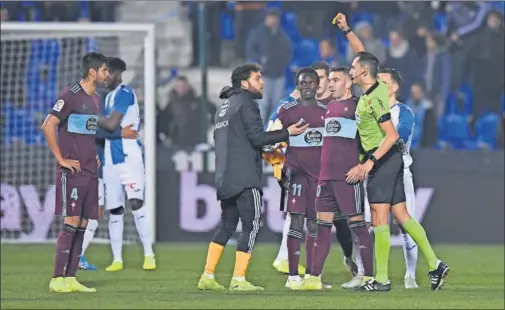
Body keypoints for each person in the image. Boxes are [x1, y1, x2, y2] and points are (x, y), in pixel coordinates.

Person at [336, 12, 449, 292]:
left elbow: (392, 135)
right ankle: (435, 264)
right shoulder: (371, 86)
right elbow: (364, 55)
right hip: (392, 160)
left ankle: (382, 279)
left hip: (383, 158)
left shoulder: (374, 100)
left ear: (363, 73)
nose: (350, 69)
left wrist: (368, 164)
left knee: (378, 216)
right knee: (402, 215)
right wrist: (347, 30)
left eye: (353, 68)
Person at [197, 64, 308, 291]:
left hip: (224, 175)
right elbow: (257, 139)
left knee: (227, 225)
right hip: (245, 175)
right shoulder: (247, 103)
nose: (262, 82)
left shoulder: (224, 107)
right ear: (245, 83)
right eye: (258, 78)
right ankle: (238, 279)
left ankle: (207, 275)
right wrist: (288, 132)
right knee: (252, 223)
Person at [300, 66, 374, 291]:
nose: (330, 84)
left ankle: (369, 277)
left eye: (335, 80)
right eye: (329, 80)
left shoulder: (358, 107)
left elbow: (373, 139)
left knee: (358, 227)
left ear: (348, 83)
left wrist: (364, 165)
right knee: (321, 228)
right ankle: (313, 277)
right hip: (326, 178)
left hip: (347, 178)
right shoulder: (329, 107)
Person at [41, 52, 109, 293]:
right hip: (73, 169)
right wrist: (61, 158)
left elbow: (84, 134)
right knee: (71, 221)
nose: (107, 75)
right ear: (93, 72)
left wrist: (94, 155)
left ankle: (70, 277)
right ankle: (57, 278)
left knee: (82, 222)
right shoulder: (70, 96)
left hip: (90, 168)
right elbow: (48, 125)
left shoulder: (96, 100)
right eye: (104, 70)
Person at [98, 57, 156, 272]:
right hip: (109, 156)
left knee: (136, 202)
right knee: (115, 208)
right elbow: (108, 128)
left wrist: (94, 119)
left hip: (128, 154)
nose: (105, 77)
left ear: (117, 73)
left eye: (107, 72)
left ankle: (149, 255)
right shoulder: (108, 97)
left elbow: (111, 123)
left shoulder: (124, 92)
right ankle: (117, 259)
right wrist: (105, 125)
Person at [364, 67, 418, 289]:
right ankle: (366, 274)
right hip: (375, 173)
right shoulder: (369, 108)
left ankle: (411, 275)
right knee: (369, 225)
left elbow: (399, 138)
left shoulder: (404, 112)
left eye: (384, 83)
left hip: (399, 173)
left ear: (394, 87)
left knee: (406, 226)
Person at [273, 68, 326, 289]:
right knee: (296, 222)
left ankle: (313, 277)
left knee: (315, 226)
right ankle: (292, 276)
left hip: (319, 178)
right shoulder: (286, 111)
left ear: (317, 85)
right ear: (297, 85)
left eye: (311, 82)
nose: (307, 86)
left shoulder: (326, 112)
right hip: (296, 175)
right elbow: (270, 140)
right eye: (302, 83)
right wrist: (279, 168)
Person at [78, 82, 139, 271]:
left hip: (98, 167)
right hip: (90, 166)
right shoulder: (86, 113)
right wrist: (122, 133)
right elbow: (95, 130)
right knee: (90, 214)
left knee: (94, 214)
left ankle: (76, 255)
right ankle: (74, 256)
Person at [311, 60, 358, 279]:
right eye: (322, 78)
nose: (325, 83)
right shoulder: (306, 100)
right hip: (318, 171)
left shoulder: (342, 103)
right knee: (316, 223)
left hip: (340, 172)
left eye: (328, 78)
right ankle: (313, 274)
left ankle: (350, 257)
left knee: (342, 225)